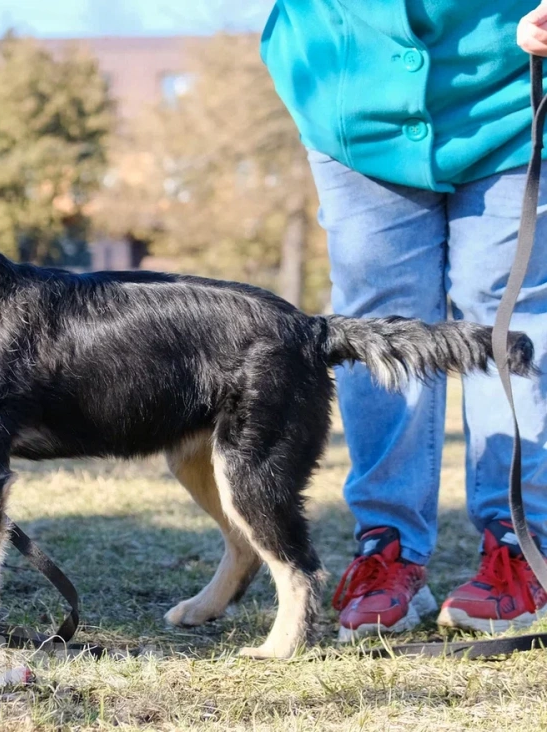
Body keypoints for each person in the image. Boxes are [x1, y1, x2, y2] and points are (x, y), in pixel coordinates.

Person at [261, 2, 547, 639]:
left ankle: (521, 543)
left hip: (511, 89)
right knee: (379, 324)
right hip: (351, 98)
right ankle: (387, 546)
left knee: (510, 314)